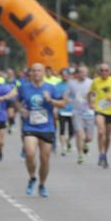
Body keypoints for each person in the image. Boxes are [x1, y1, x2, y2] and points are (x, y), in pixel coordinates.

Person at [18, 63, 67, 197]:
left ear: (44, 72)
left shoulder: (51, 88)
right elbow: (18, 101)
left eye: (39, 70)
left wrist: (50, 100)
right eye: (33, 71)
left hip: (47, 127)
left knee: (45, 158)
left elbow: (63, 104)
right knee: (29, 153)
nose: (36, 73)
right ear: (30, 73)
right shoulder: (24, 88)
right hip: (30, 126)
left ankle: (42, 184)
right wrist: (21, 109)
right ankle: (32, 177)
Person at [90, 63, 111, 168]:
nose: (104, 72)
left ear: (109, 72)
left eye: (106, 70)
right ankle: (101, 152)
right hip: (99, 110)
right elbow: (91, 93)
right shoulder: (95, 81)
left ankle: (104, 154)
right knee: (101, 132)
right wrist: (91, 103)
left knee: (108, 136)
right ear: (99, 72)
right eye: (102, 70)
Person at [68, 66, 95, 165]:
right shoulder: (72, 83)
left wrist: (93, 102)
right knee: (80, 134)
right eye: (81, 72)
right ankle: (80, 155)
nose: (83, 74)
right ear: (77, 73)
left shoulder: (91, 83)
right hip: (77, 112)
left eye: (85, 72)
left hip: (89, 113)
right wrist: (68, 99)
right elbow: (66, 94)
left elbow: (95, 95)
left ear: (87, 73)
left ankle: (85, 144)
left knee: (89, 138)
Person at [0, 67, 17, 164]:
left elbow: (14, 93)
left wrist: (4, 97)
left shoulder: (3, 87)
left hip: (0, 116)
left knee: (0, 141)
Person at [55, 68, 73, 156]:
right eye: (63, 74)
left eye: (66, 74)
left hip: (73, 111)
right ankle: (63, 147)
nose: (65, 76)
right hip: (62, 110)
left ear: (70, 75)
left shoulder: (73, 85)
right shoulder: (57, 86)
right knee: (62, 130)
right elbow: (55, 98)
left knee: (72, 131)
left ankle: (68, 141)